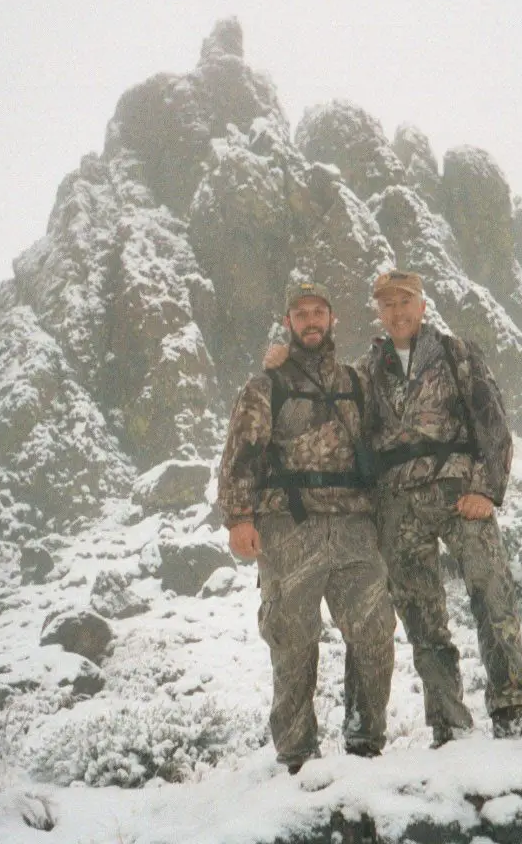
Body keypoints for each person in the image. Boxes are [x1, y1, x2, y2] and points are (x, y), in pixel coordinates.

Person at [265, 270, 522, 747]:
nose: (397, 312)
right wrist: (286, 362)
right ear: (378, 312)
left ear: (422, 306)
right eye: (387, 304)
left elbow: (493, 425)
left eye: (405, 301)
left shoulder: (456, 355)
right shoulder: (367, 370)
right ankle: (449, 723)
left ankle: (512, 707)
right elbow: (334, 412)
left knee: (492, 595)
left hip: (460, 495)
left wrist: (486, 490)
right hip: (397, 506)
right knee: (423, 618)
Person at [216, 281, 396, 775]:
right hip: (288, 527)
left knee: (375, 630)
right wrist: (238, 518)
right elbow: (239, 456)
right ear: (289, 322)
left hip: (356, 526)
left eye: (319, 312)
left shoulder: (357, 383)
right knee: (292, 638)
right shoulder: (266, 386)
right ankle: (296, 756)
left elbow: (386, 439)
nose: (311, 321)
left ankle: (365, 743)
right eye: (301, 314)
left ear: (332, 319)